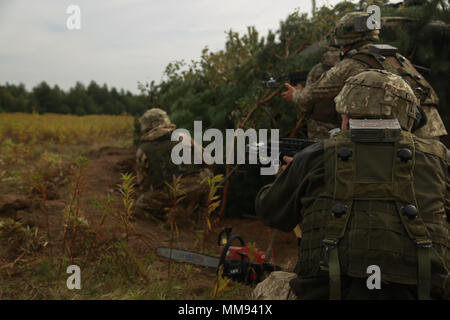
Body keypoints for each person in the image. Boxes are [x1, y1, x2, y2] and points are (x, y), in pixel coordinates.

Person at [256, 70, 449, 300]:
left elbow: (270, 212)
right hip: (423, 294)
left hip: (327, 294)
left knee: (270, 287)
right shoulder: (441, 159)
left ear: (346, 114)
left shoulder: (315, 156)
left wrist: (289, 177)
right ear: (407, 118)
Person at [282, 11, 447, 140]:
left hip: (403, 136)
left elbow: (310, 95)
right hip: (432, 129)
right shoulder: (396, 57)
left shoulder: (351, 63)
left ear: (343, 43)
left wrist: (295, 95)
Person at [135, 108, 212, 221]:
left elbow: (144, 184)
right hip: (197, 185)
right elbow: (208, 160)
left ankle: (166, 217)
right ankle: (201, 216)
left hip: (169, 193)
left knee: (140, 205)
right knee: (207, 174)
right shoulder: (183, 136)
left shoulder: (143, 150)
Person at [304, 45, 341, 140]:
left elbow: (307, 100)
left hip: (319, 125)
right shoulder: (351, 65)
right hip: (347, 123)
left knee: (318, 153)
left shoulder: (317, 69)